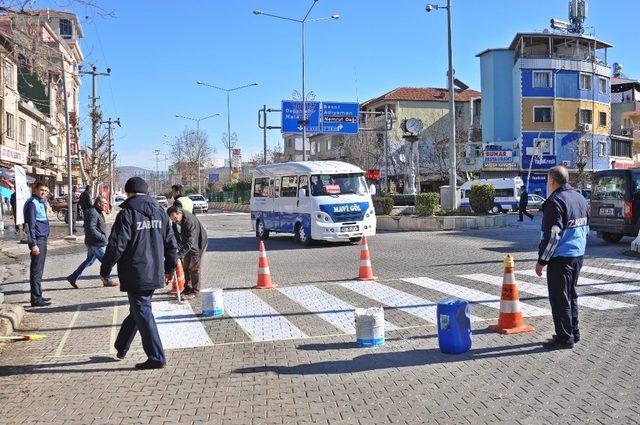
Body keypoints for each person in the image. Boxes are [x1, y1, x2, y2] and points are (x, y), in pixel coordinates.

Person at [100, 177, 177, 369]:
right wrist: (169, 268)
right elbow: (171, 244)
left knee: (142, 311)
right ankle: (122, 346)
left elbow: (116, 245)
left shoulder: (127, 214)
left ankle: (156, 357)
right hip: (155, 271)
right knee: (138, 310)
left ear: (127, 192)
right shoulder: (161, 213)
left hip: (136, 272)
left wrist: (105, 269)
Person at [535, 165, 589, 350]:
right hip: (577, 255)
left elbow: (553, 236)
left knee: (560, 299)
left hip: (561, 257)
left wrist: (542, 261)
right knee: (571, 295)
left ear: (552, 181)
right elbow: (586, 228)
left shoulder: (555, 201)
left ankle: (564, 338)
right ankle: (574, 332)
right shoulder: (580, 198)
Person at [67, 196, 118, 288]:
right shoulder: (93, 212)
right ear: (99, 203)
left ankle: (73, 277)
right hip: (96, 243)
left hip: (93, 242)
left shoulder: (96, 211)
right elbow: (91, 228)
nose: (106, 205)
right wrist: (102, 237)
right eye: (104, 203)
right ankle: (107, 279)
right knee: (107, 261)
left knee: (89, 261)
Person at [167, 206, 208, 299]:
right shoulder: (179, 219)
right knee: (185, 267)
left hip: (198, 244)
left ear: (179, 213)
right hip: (189, 244)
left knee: (194, 268)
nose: (174, 221)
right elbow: (181, 237)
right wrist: (178, 248)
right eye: (172, 219)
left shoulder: (189, 222)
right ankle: (187, 288)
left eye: (175, 218)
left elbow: (190, 242)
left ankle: (195, 291)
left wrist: (179, 254)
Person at [23, 182, 51, 307]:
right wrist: (33, 244)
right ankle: (35, 299)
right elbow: (29, 226)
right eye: (41, 190)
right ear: (35, 190)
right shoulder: (32, 204)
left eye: (45, 190)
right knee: (36, 270)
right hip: (38, 241)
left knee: (39, 270)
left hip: (43, 239)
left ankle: (38, 295)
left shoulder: (41, 203)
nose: (43, 192)